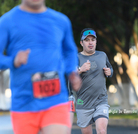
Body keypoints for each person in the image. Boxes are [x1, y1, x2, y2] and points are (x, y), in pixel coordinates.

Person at [0, 0, 81, 134]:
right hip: (24, 103)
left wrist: (72, 70)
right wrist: (12, 61)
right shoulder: (7, 21)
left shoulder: (61, 21)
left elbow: (69, 51)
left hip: (55, 99)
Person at [76, 28, 113, 134]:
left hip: (101, 101)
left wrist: (109, 72)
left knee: (102, 130)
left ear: (96, 41)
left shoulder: (102, 55)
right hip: (83, 103)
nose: (90, 42)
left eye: (93, 39)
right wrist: (80, 69)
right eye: (87, 40)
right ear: (81, 43)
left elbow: (110, 68)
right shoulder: (76, 57)